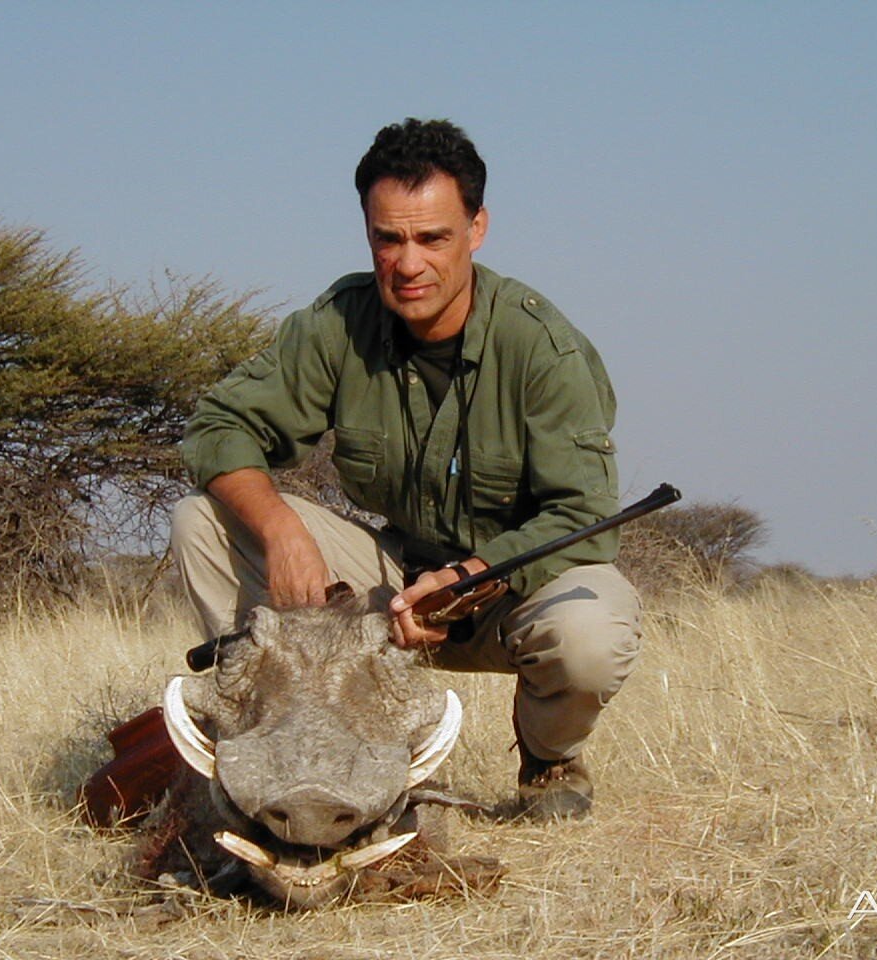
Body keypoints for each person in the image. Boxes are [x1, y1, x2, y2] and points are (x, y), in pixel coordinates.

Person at [171, 118, 642, 820]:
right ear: (367, 234)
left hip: (512, 589)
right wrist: (280, 530)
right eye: (388, 239)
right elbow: (218, 427)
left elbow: (582, 517)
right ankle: (273, 735)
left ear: (477, 229)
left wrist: (472, 580)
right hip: (391, 584)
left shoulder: (542, 346)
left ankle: (548, 760)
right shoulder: (338, 322)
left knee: (590, 639)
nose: (408, 263)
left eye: (432, 238)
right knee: (200, 522)